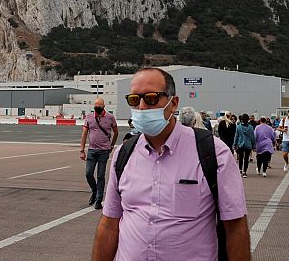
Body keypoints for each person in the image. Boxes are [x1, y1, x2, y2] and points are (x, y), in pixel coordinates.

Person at [92, 68, 250, 260]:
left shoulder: (214, 153)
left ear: (173, 103)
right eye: (134, 99)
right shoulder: (123, 154)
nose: (141, 107)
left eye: (151, 98)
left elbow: (235, 226)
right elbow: (110, 223)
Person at [79, 97, 118, 210]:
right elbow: (84, 134)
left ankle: (98, 200)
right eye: (95, 107)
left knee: (101, 175)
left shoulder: (110, 117)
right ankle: (94, 190)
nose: (97, 109)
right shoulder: (89, 117)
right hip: (92, 150)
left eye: (99, 107)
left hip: (104, 151)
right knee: (88, 173)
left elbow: (116, 132)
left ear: (104, 107)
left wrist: (111, 145)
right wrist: (82, 150)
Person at [234, 113, 256, 178]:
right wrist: (254, 146)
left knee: (240, 158)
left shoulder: (238, 127)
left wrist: (235, 144)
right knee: (246, 159)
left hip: (240, 144)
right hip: (248, 145)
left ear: (241, 119)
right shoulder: (251, 127)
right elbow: (252, 137)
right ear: (248, 120)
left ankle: (240, 170)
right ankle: (244, 172)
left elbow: (236, 136)